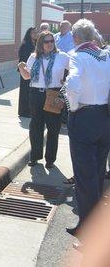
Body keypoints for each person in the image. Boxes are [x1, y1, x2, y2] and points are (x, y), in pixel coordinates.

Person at [63, 19, 110, 237]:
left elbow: (72, 85)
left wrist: (73, 107)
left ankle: (88, 228)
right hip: (104, 117)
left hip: (84, 117)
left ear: (76, 38)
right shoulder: (106, 55)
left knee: (84, 175)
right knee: (99, 172)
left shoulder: (78, 56)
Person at [17, 31, 69, 168]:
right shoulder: (33, 57)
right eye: (46, 41)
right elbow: (27, 77)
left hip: (53, 93)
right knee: (36, 126)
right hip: (36, 94)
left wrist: (67, 83)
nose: (50, 44)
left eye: (52, 41)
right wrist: (21, 68)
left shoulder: (62, 56)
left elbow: (74, 71)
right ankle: (34, 157)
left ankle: (50, 159)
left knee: (53, 128)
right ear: (40, 43)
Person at [17, 27, 37, 118]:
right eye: (33, 33)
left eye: (36, 32)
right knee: (24, 92)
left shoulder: (35, 43)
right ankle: (24, 111)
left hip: (32, 71)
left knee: (30, 92)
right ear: (29, 34)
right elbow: (24, 59)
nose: (35, 34)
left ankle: (29, 110)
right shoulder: (25, 45)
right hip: (25, 71)